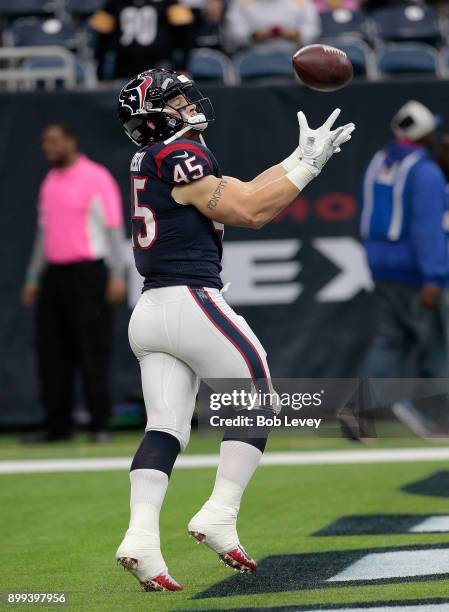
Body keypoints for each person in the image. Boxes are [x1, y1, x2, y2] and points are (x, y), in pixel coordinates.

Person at [115, 68, 355, 591]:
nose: (188, 103)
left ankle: (140, 539)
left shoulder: (156, 158)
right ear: (154, 115)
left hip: (152, 309)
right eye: (175, 100)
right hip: (191, 299)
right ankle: (219, 514)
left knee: (166, 428)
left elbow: (242, 189)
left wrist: (298, 157)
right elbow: (250, 210)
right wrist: (309, 170)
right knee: (260, 398)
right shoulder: (181, 154)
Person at [21, 124, 127, 442]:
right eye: (44, 142)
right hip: (54, 277)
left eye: (54, 141)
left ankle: (99, 426)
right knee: (51, 353)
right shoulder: (49, 181)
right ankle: (58, 427)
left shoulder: (97, 177)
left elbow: (113, 228)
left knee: (92, 350)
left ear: (71, 141)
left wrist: (118, 275)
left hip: (89, 275)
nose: (47, 147)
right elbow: (43, 234)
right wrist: (33, 276)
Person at [359, 101, 449, 431]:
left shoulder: (379, 160)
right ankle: (440, 418)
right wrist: (434, 276)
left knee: (390, 340)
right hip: (416, 272)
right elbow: (427, 229)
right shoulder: (424, 171)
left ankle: (359, 410)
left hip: (382, 268)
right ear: (425, 134)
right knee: (440, 343)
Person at [90, 0, 194, 81]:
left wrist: (182, 67)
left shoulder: (170, 2)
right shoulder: (113, 3)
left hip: (161, 69)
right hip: (124, 69)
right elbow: (102, 39)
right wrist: (101, 75)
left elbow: (184, 35)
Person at [224, 0, 320, 54]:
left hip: (292, 55)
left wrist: (293, 34)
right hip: (254, 54)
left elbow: (312, 29)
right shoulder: (241, 3)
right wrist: (255, 35)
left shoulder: (300, 2)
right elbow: (234, 32)